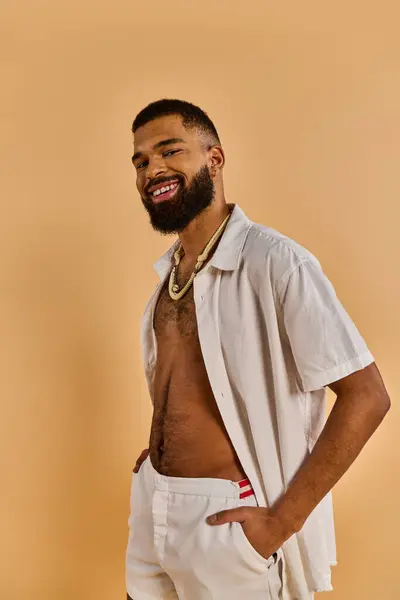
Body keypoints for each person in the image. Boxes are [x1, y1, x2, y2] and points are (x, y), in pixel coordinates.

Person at [125, 99, 391, 600]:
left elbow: (367, 395)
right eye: (140, 161)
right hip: (154, 503)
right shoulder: (170, 278)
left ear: (214, 159)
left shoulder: (277, 263)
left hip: (230, 519)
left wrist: (279, 522)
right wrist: (162, 458)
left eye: (169, 151)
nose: (151, 169)